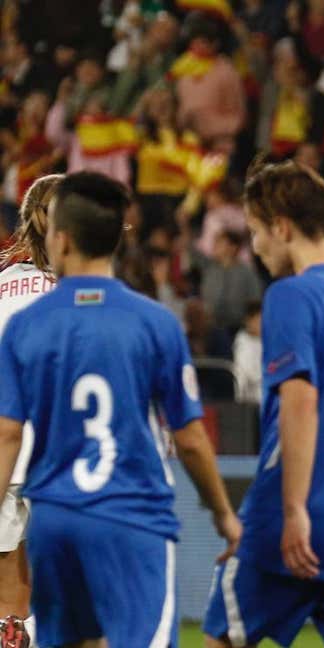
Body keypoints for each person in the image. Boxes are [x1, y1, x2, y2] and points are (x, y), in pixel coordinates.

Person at [0, 171, 239, 646]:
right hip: (125, 502)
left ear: (57, 234)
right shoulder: (152, 320)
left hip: (48, 496)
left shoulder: (24, 314)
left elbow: (7, 431)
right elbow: (189, 436)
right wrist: (223, 515)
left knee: (24, 611)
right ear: (116, 239)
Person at [203, 161, 324, 647]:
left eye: (255, 231)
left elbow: (300, 402)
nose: (256, 246)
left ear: (282, 226)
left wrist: (291, 510)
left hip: (298, 515)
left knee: (222, 638)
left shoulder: (291, 295)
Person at [0, 174, 62, 646]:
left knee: (9, 587)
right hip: (61, 451)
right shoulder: (85, 286)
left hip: (7, 449)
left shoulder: (2, 282)